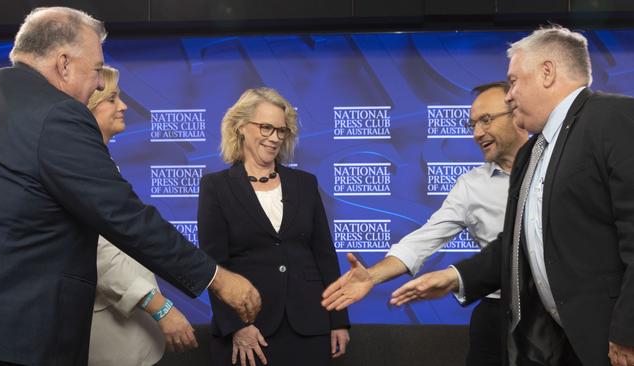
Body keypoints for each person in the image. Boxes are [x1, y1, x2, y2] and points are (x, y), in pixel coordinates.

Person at [0, 7, 260, 366]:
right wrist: (216, 278)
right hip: (26, 339)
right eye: (97, 69)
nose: (100, 83)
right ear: (64, 63)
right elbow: (123, 216)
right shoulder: (59, 114)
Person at [387, 26, 634, 366]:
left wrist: (628, 331)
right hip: (557, 345)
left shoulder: (614, 118)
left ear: (547, 73)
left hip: (610, 343)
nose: (509, 94)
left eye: (514, 80)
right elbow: (518, 243)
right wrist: (454, 277)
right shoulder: (534, 151)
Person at [322, 81, 529, 366]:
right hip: (497, 315)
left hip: (556, 311)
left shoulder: (558, 168)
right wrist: (372, 276)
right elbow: (424, 239)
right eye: (473, 125)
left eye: (486, 120)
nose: (478, 133)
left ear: (517, 114)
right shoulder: (471, 186)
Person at [197, 87, 350, 366]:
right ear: (241, 126)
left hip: (309, 327)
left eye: (281, 131)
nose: (274, 138)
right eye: (266, 127)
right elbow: (213, 265)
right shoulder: (215, 187)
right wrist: (236, 326)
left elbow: (324, 256)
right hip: (249, 331)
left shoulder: (305, 184)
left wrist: (338, 320)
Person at [87, 66, 197, 366]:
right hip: (109, 342)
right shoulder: (84, 169)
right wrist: (160, 307)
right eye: (112, 98)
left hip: (132, 337)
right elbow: (98, 253)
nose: (123, 106)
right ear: (88, 106)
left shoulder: (102, 163)